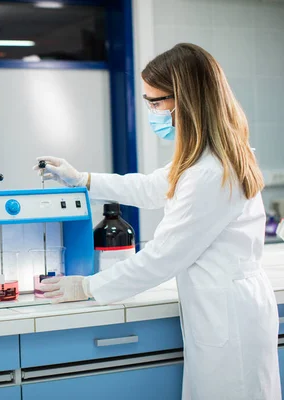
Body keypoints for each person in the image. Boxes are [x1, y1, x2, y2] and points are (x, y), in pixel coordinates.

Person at [35, 43, 280, 400]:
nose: (151, 111)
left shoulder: (210, 172)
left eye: (155, 102)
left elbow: (163, 257)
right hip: (226, 308)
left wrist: (87, 288)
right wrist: (83, 179)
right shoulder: (207, 156)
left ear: (186, 100)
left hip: (229, 317)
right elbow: (154, 187)